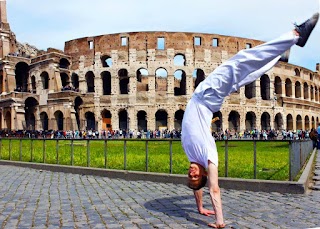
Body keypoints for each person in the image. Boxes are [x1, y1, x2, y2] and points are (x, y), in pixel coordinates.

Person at [181, 13, 319, 228]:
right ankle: (296, 35)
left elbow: (197, 187)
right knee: (240, 62)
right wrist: (219, 221)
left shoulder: (191, 155)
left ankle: (279, 58)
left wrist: (199, 207)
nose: (191, 172)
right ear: (204, 173)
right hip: (206, 97)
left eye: (189, 175)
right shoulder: (209, 157)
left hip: (206, 99)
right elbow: (213, 188)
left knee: (247, 77)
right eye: (195, 175)